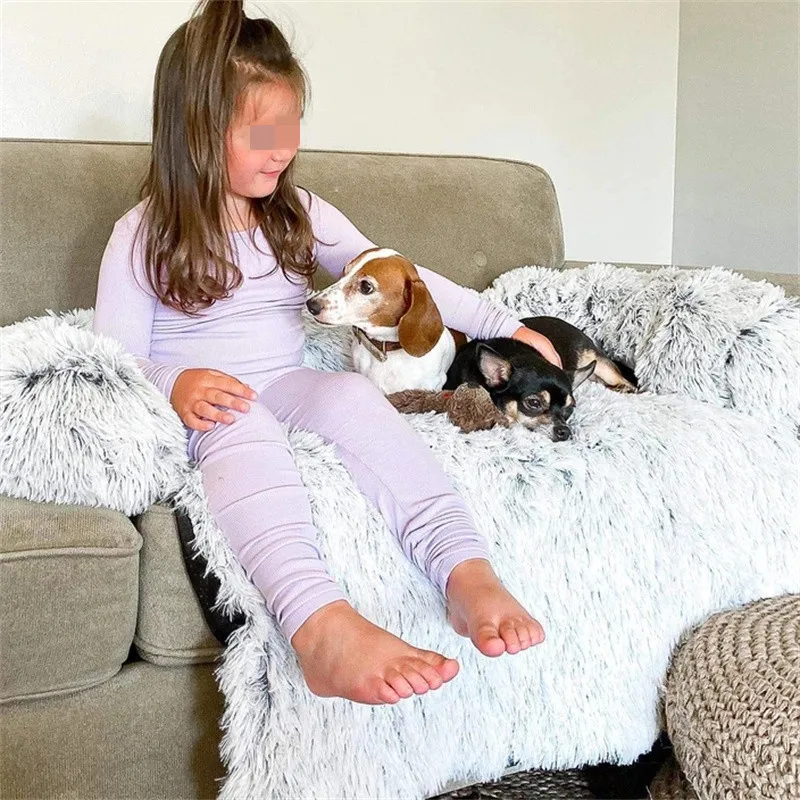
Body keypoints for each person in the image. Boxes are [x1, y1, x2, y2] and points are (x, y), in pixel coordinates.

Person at [93, 0, 560, 706]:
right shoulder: (142, 233)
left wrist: (506, 324)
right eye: (260, 131)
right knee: (240, 419)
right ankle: (321, 629)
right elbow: (112, 358)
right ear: (193, 131)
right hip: (210, 400)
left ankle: (465, 570)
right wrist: (173, 378)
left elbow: (401, 275)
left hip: (284, 378)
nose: (281, 148)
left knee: (348, 395)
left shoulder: (299, 212)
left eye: (290, 124)